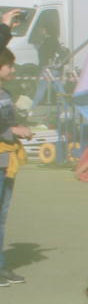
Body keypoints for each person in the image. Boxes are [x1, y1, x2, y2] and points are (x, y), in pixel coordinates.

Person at [0, 46, 34, 286]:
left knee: (2, 216)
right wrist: (12, 130)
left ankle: (1, 267)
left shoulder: (4, 93)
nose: (12, 69)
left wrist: (19, 126)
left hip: (6, 161)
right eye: (9, 65)